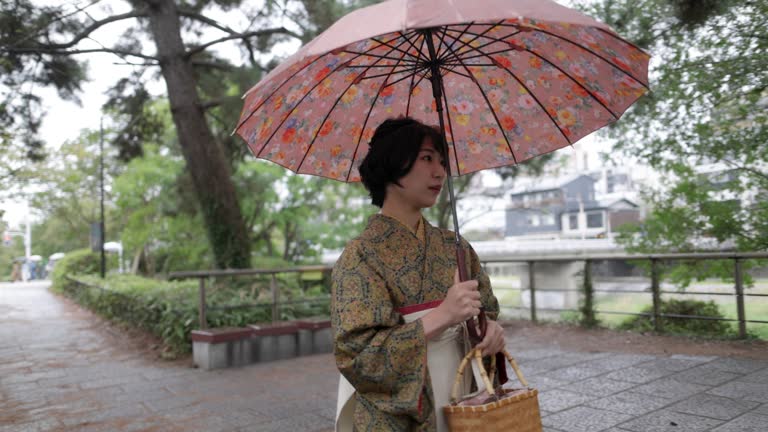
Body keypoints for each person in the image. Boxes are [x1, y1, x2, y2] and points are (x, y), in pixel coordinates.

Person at [332, 117, 505, 431]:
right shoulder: (359, 255)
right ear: (392, 163)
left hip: (462, 393)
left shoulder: (455, 246)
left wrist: (489, 330)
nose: (439, 171)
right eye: (427, 158)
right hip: (397, 410)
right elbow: (358, 356)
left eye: (441, 160)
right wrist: (443, 316)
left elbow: (486, 310)